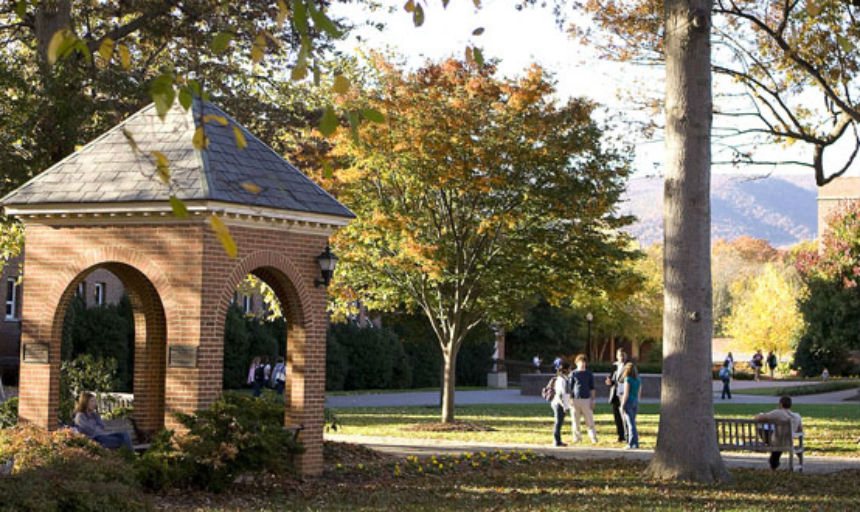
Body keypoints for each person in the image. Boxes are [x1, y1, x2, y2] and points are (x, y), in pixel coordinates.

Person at [755, 395, 803, 471]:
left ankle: (773, 462)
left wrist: (759, 414)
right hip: (789, 442)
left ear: (781, 404)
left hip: (776, 442)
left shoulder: (778, 413)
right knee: (778, 440)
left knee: (763, 430)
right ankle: (775, 461)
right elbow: (800, 431)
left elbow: (759, 418)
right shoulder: (797, 416)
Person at [569, 354, 598, 444]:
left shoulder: (589, 374)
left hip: (586, 400)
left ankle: (593, 437)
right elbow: (570, 388)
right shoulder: (573, 374)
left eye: (584, 362)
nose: (583, 364)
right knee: (575, 421)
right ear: (577, 363)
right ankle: (577, 438)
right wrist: (570, 399)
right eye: (581, 362)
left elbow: (592, 388)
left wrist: (593, 400)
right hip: (575, 400)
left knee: (589, 420)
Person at [605, 348, 627, 443]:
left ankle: (628, 435)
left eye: (622, 355)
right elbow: (612, 378)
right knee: (617, 416)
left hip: (624, 393)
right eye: (619, 355)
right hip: (615, 394)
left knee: (625, 416)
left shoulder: (629, 366)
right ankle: (620, 436)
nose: (621, 357)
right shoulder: (614, 366)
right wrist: (609, 382)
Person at [620, 360, 642, 449]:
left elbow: (626, 393)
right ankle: (635, 443)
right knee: (632, 422)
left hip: (628, 401)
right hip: (635, 401)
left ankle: (631, 443)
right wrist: (637, 401)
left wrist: (622, 404)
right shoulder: (638, 379)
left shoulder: (627, 379)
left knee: (630, 423)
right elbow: (639, 392)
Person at [550, 362, 572, 447]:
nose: (571, 370)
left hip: (558, 402)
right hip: (559, 403)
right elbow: (562, 394)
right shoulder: (562, 380)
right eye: (570, 369)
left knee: (559, 422)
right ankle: (556, 440)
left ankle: (558, 440)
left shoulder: (563, 378)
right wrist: (565, 406)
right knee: (558, 422)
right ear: (566, 370)